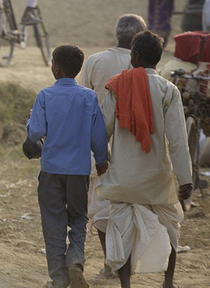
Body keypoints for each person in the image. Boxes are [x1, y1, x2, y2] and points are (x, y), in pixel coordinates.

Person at [97, 31, 193, 288]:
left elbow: (101, 130)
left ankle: (126, 285)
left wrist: (100, 160)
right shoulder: (168, 89)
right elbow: (177, 140)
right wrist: (185, 179)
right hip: (157, 179)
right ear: (158, 59)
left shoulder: (117, 85)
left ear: (136, 56)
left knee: (122, 232)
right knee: (172, 228)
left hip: (124, 178)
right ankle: (168, 282)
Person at [27, 44, 109, 288]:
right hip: (79, 171)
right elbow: (98, 136)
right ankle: (75, 258)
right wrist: (102, 160)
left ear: (56, 67)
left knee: (53, 223)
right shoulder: (88, 97)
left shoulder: (45, 95)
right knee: (79, 217)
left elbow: (37, 131)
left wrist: (29, 123)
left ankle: (59, 279)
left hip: (51, 169)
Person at [80, 14, 147, 280]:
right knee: (130, 207)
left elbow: (84, 99)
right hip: (135, 147)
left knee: (102, 207)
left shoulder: (96, 60)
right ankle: (125, 263)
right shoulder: (146, 65)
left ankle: (112, 263)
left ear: (116, 33)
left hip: (99, 146)